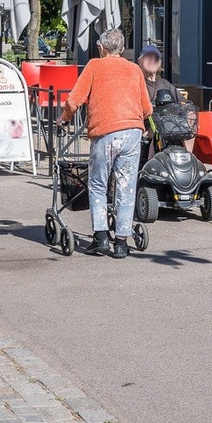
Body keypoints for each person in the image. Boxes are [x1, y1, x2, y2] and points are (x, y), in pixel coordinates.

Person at [63, 28, 153, 258]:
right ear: (122, 50)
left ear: (101, 48)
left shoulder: (94, 65)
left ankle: (101, 238)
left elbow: (74, 100)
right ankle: (121, 243)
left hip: (106, 133)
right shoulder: (134, 69)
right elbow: (147, 109)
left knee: (98, 184)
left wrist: (63, 119)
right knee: (126, 186)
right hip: (133, 133)